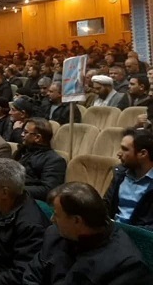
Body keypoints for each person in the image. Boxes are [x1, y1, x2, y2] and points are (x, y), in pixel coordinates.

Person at [24, 182, 153, 285]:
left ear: (77, 220)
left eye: (56, 215)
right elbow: (31, 275)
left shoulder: (127, 266)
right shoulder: (54, 234)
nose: (52, 219)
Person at [104, 128, 153, 229]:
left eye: (125, 149)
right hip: (112, 232)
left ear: (143, 153)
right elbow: (105, 206)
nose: (119, 153)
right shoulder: (120, 174)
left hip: (139, 236)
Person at [14, 118, 66, 201]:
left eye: (26, 132)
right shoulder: (22, 151)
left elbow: (48, 190)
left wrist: (14, 190)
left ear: (37, 137)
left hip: (32, 201)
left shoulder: (54, 160)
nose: (22, 134)